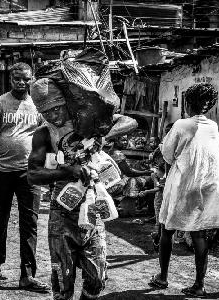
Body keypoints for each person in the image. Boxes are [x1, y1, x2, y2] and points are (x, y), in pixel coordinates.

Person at [28, 78, 137, 300]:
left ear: (66, 103)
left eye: (57, 109)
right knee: (62, 280)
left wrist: (100, 135)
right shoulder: (44, 134)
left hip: (92, 210)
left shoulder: (87, 123)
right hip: (61, 213)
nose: (54, 116)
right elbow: (33, 174)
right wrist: (70, 171)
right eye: (46, 112)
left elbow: (129, 121)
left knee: (97, 278)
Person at [148, 83, 219, 298]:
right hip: (204, 187)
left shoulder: (182, 124)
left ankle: (162, 277)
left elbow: (167, 155)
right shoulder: (213, 126)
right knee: (199, 234)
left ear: (188, 103)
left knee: (167, 229)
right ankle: (199, 285)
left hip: (181, 185)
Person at [0, 63, 49, 292]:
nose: (21, 82)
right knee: (0, 218)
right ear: (11, 79)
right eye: (17, 78)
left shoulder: (38, 106)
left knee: (30, 224)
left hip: (29, 174)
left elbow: (46, 137)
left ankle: (27, 275)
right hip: (1, 172)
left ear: (31, 80)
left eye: (25, 79)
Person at [139, 162, 166, 251]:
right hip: (159, 202)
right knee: (160, 222)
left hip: (161, 203)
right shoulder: (160, 177)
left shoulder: (164, 178)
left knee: (159, 223)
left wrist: (146, 191)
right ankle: (158, 240)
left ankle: (157, 240)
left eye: (157, 170)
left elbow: (158, 188)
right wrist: (155, 177)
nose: (156, 172)